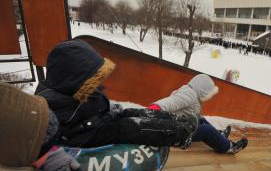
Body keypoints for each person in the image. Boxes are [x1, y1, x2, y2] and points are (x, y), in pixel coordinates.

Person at [35, 39, 197, 150]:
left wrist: (112, 111)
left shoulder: (75, 89)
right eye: (94, 78)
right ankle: (180, 133)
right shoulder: (53, 105)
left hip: (97, 120)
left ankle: (172, 119)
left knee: (131, 113)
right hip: (86, 135)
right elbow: (54, 134)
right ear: (73, 78)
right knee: (129, 127)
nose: (98, 83)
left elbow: (94, 107)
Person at [149, 74, 248, 154]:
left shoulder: (194, 95)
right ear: (202, 89)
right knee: (206, 130)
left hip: (182, 124)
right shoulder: (187, 95)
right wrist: (149, 113)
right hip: (175, 132)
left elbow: (193, 114)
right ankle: (228, 147)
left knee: (201, 120)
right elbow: (166, 103)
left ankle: (219, 135)